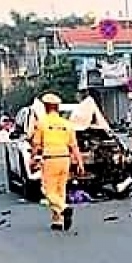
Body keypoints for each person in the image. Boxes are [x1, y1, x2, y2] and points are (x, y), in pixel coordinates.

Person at [30, 92, 84, 232]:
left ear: (46, 107)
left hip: (50, 159)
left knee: (48, 191)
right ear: (57, 107)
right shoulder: (67, 124)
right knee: (60, 190)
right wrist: (79, 163)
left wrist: (32, 160)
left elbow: (36, 145)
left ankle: (64, 209)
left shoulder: (41, 123)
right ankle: (57, 220)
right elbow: (74, 146)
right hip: (65, 159)